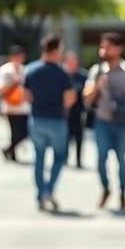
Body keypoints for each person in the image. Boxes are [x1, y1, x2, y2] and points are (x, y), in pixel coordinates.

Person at [83, 32, 125, 210]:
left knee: (121, 159)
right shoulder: (97, 71)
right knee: (101, 158)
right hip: (102, 121)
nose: (104, 50)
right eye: (103, 46)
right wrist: (97, 85)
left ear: (118, 49)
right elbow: (87, 98)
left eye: (108, 46)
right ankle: (105, 188)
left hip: (123, 122)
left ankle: (123, 193)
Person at [23, 34, 77, 211]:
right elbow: (69, 99)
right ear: (57, 50)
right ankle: (48, 189)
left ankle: (40, 193)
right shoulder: (62, 73)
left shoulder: (31, 70)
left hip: (37, 118)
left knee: (39, 158)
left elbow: (24, 96)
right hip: (56, 119)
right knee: (60, 157)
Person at [0, 46, 31, 162]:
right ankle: (13, 153)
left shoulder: (25, 69)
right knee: (14, 131)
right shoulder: (5, 70)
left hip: (23, 105)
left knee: (25, 132)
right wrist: (13, 82)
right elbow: (0, 88)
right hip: (10, 105)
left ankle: (9, 150)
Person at [63, 51, 89, 168]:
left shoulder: (83, 76)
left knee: (79, 136)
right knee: (66, 136)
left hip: (79, 111)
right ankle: (65, 158)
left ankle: (78, 160)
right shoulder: (62, 75)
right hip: (65, 111)